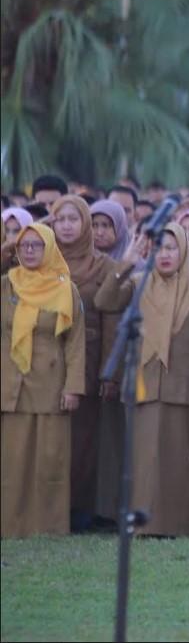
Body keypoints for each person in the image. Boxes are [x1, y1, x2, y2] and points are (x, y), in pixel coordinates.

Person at [95, 223, 189, 537]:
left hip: (184, 384)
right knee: (143, 459)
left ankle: (176, 524)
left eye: (170, 248)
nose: (164, 255)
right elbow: (104, 302)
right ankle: (143, 524)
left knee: (179, 457)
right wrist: (125, 264)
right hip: (144, 382)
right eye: (157, 248)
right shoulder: (139, 282)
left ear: (184, 249)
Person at [0, 223, 85, 538]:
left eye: (37, 245)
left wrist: (73, 387)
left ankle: (48, 525)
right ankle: (11, 525)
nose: (30, 250)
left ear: (50, 248)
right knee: (13, 459)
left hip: (51, 383)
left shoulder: (66, 290)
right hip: (12, 383)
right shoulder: (6, 286)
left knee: (50, 459)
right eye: (24, 245)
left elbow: (75, 343)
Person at [46, 196, 123, 531]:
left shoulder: (103, 265)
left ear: (85, 225)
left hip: (89, 360)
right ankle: (46, 506)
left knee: (83, 439)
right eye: (59, 219)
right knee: (49, 436)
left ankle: (79, 507)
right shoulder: (41, 258)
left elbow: (111, 321)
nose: (66, 226)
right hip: (46, 360)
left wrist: (109, 372)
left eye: (73, 219)